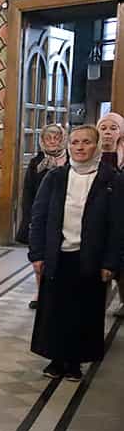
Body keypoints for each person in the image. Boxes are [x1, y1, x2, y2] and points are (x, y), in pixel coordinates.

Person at [29, 125, 122, 382]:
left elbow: (117, 226)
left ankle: (74, 362)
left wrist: (111, 262)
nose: (80, 147)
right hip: (58, 256)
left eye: (86, 142)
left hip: (90, 258)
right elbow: (39, 217)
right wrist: (37, 254)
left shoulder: (111, 179)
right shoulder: (55, 177)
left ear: (97, 145)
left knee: (84, 311)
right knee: (56, 310)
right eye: (75, 142)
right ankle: (56, 359)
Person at [16, 124, 67, 310]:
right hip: (42, 215)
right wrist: (28, 219)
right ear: (43, 141)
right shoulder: (36, 162)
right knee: (40, 256)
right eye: (48, 138)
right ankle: (40, 292)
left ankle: (59, 293)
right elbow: (28, 192)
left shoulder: (70, 159)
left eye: (56, 138)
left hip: (65, 215)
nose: (52, 142)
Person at [96, 112, 124, 317]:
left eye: (113, 128)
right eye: (103, 128)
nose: (107, 132)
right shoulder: (90, 154)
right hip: (97, 220)